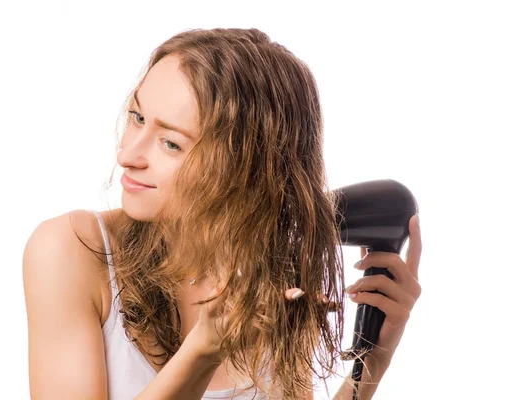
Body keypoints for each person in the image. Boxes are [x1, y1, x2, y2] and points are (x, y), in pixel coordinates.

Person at [23, 27, 422, 400]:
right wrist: (201, 353)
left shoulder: (276, 274)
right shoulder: (70, 251)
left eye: (170, 143)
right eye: (138, 118)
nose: (127, 155)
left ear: (245, 168)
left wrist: (370, 364)